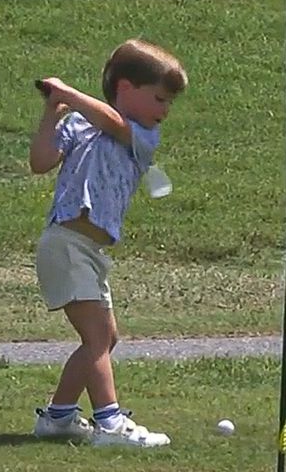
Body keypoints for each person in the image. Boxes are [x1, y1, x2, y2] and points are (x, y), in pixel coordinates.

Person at [27, 38, 187, 448]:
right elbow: (40, 161)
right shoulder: (78, 124)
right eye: (159, 99)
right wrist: (53, 112)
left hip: (89, 250)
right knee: (97, 338)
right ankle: (110, 423)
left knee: (105, 338)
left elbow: (112, 123)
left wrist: (68, 95)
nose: (165, 111)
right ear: (126, 88)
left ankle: (59, 418)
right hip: (65, 242)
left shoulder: (141, 135)